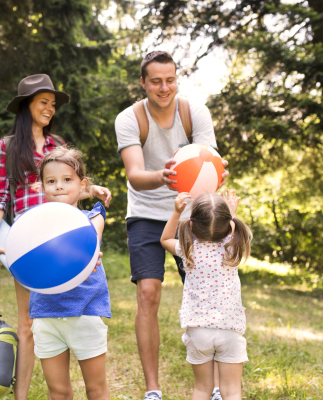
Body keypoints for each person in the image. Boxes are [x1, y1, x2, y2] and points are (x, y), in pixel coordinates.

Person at [0, 74, 112, 400]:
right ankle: (21, 396)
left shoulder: (57, 145)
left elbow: (73, 182)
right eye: (43, 102)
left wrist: (94, 189)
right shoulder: (8, 146)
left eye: (53, 104)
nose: (49, 109)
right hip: (28, 243)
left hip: (63, 239)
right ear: (27, 105)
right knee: (28, 321)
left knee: (61, 308)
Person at [114, 50, 229, 400]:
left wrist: (210, 183)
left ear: (177, 78)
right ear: (143, 83)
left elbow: (209, 164)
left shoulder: (194, 112)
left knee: (211, 290)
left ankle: (218, 387)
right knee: (148, 294)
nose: (164, 88)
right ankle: (153, 389)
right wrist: (165, 178)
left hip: (193, 214)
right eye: (156, 81)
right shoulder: (129, 118)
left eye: (170, 79)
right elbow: (134, 176)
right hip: (147, 214)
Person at [29, 146, 111, 400]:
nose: (59, 186)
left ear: (81, 184)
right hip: (46, 313)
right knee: (58, 391)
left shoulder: (93, 217)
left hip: (84, 312)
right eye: (51, 181)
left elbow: (88, 247)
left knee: (96, 389)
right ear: (43, 187)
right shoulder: (33, 223)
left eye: (67, 180)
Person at [160, 190, 252, 400]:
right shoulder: (233, 249)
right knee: (232, 392)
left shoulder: (188, 248)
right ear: (229, 224)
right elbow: (235, 231)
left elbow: (165, 239)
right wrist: (233, 213)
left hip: (198, 331)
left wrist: (176, 212)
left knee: (202, 390)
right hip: (230, 330)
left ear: (191, 224)